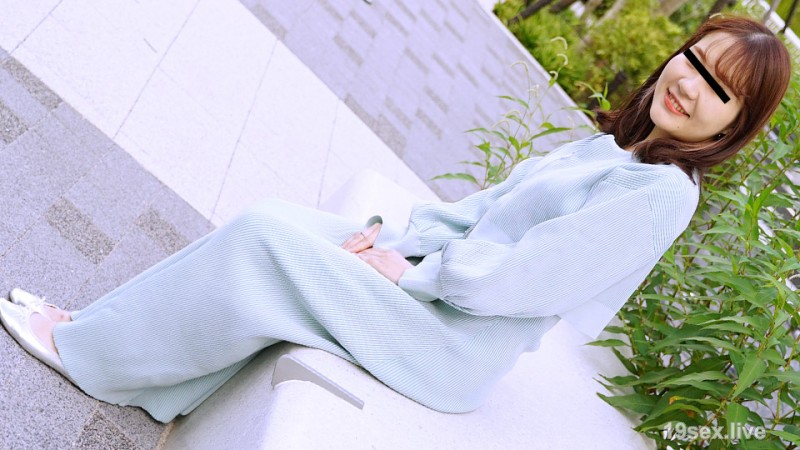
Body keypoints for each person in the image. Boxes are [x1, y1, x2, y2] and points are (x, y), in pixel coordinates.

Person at [0, 15, 791, 423]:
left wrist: (415, 276)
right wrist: (397, 240)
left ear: (735, 123)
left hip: (449, 342)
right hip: (437, 298)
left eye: (717, 88)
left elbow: (526, 278)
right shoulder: (620, 152)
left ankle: (87, 353)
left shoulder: (662, 195)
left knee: (265, 243)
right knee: (279, 221)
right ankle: (108, 341)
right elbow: (483, 213)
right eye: (693, 59)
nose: (688, 83)